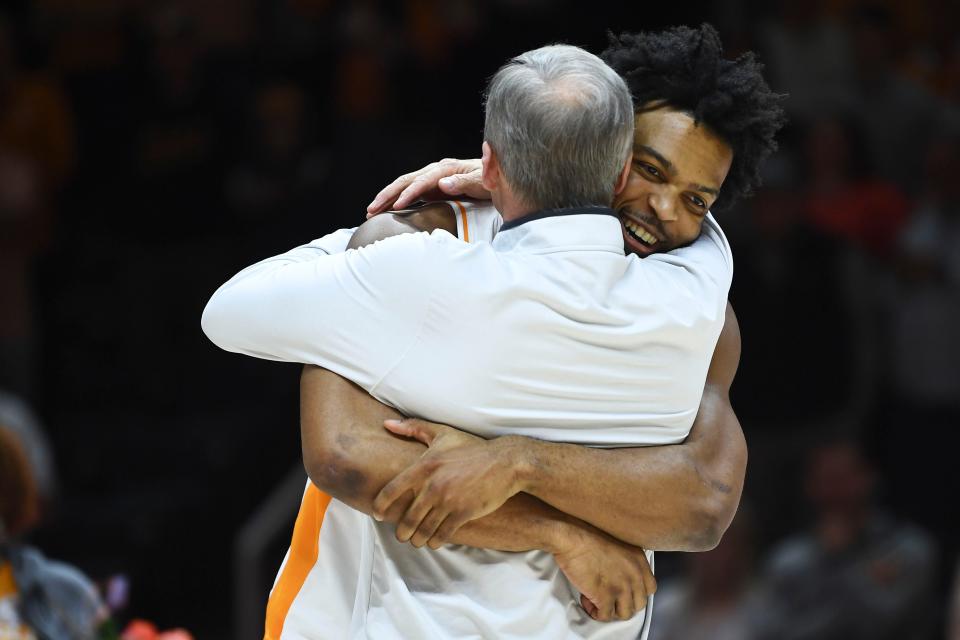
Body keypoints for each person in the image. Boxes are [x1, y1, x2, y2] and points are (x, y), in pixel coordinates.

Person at [204, 26, 783, 640]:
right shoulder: (428, 239)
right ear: (607, 149)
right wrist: (564, 533)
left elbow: (702, 504)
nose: (664, 210)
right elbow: (347, 454)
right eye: (648, 170)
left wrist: (518, 462)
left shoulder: (698, 312)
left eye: (697, 201)